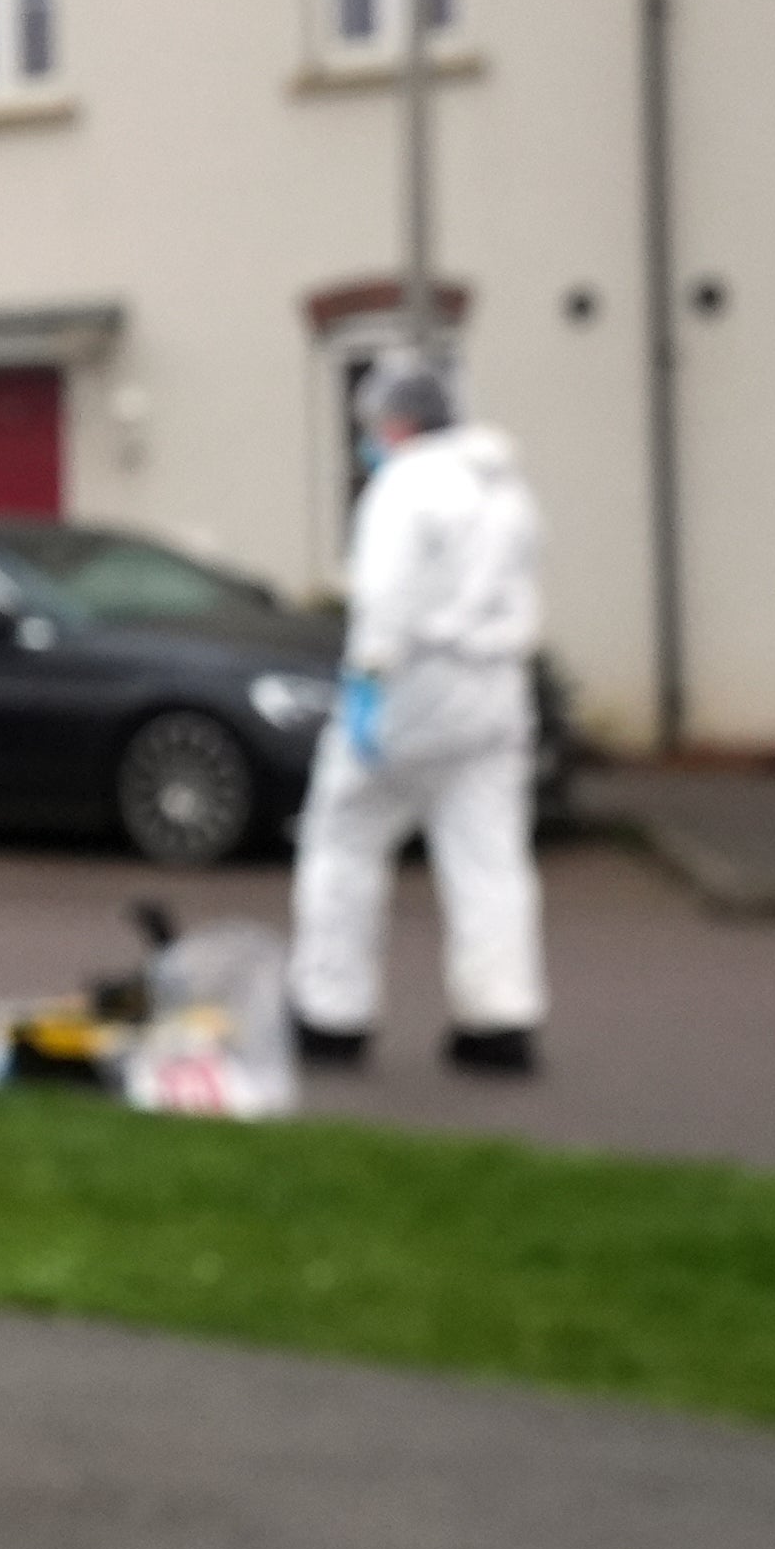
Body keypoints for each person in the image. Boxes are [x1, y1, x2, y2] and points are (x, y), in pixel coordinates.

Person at [290, 353, 546, 1074]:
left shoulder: (403, 487)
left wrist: (367, 686)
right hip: (494, 695)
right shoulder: (503, 488)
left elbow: (385, 596)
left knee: (342, 843)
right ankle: (498, 1020)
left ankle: (330, 1014)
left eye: (373, 421)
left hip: (413, 690)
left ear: (395, 420)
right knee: (488, 861)